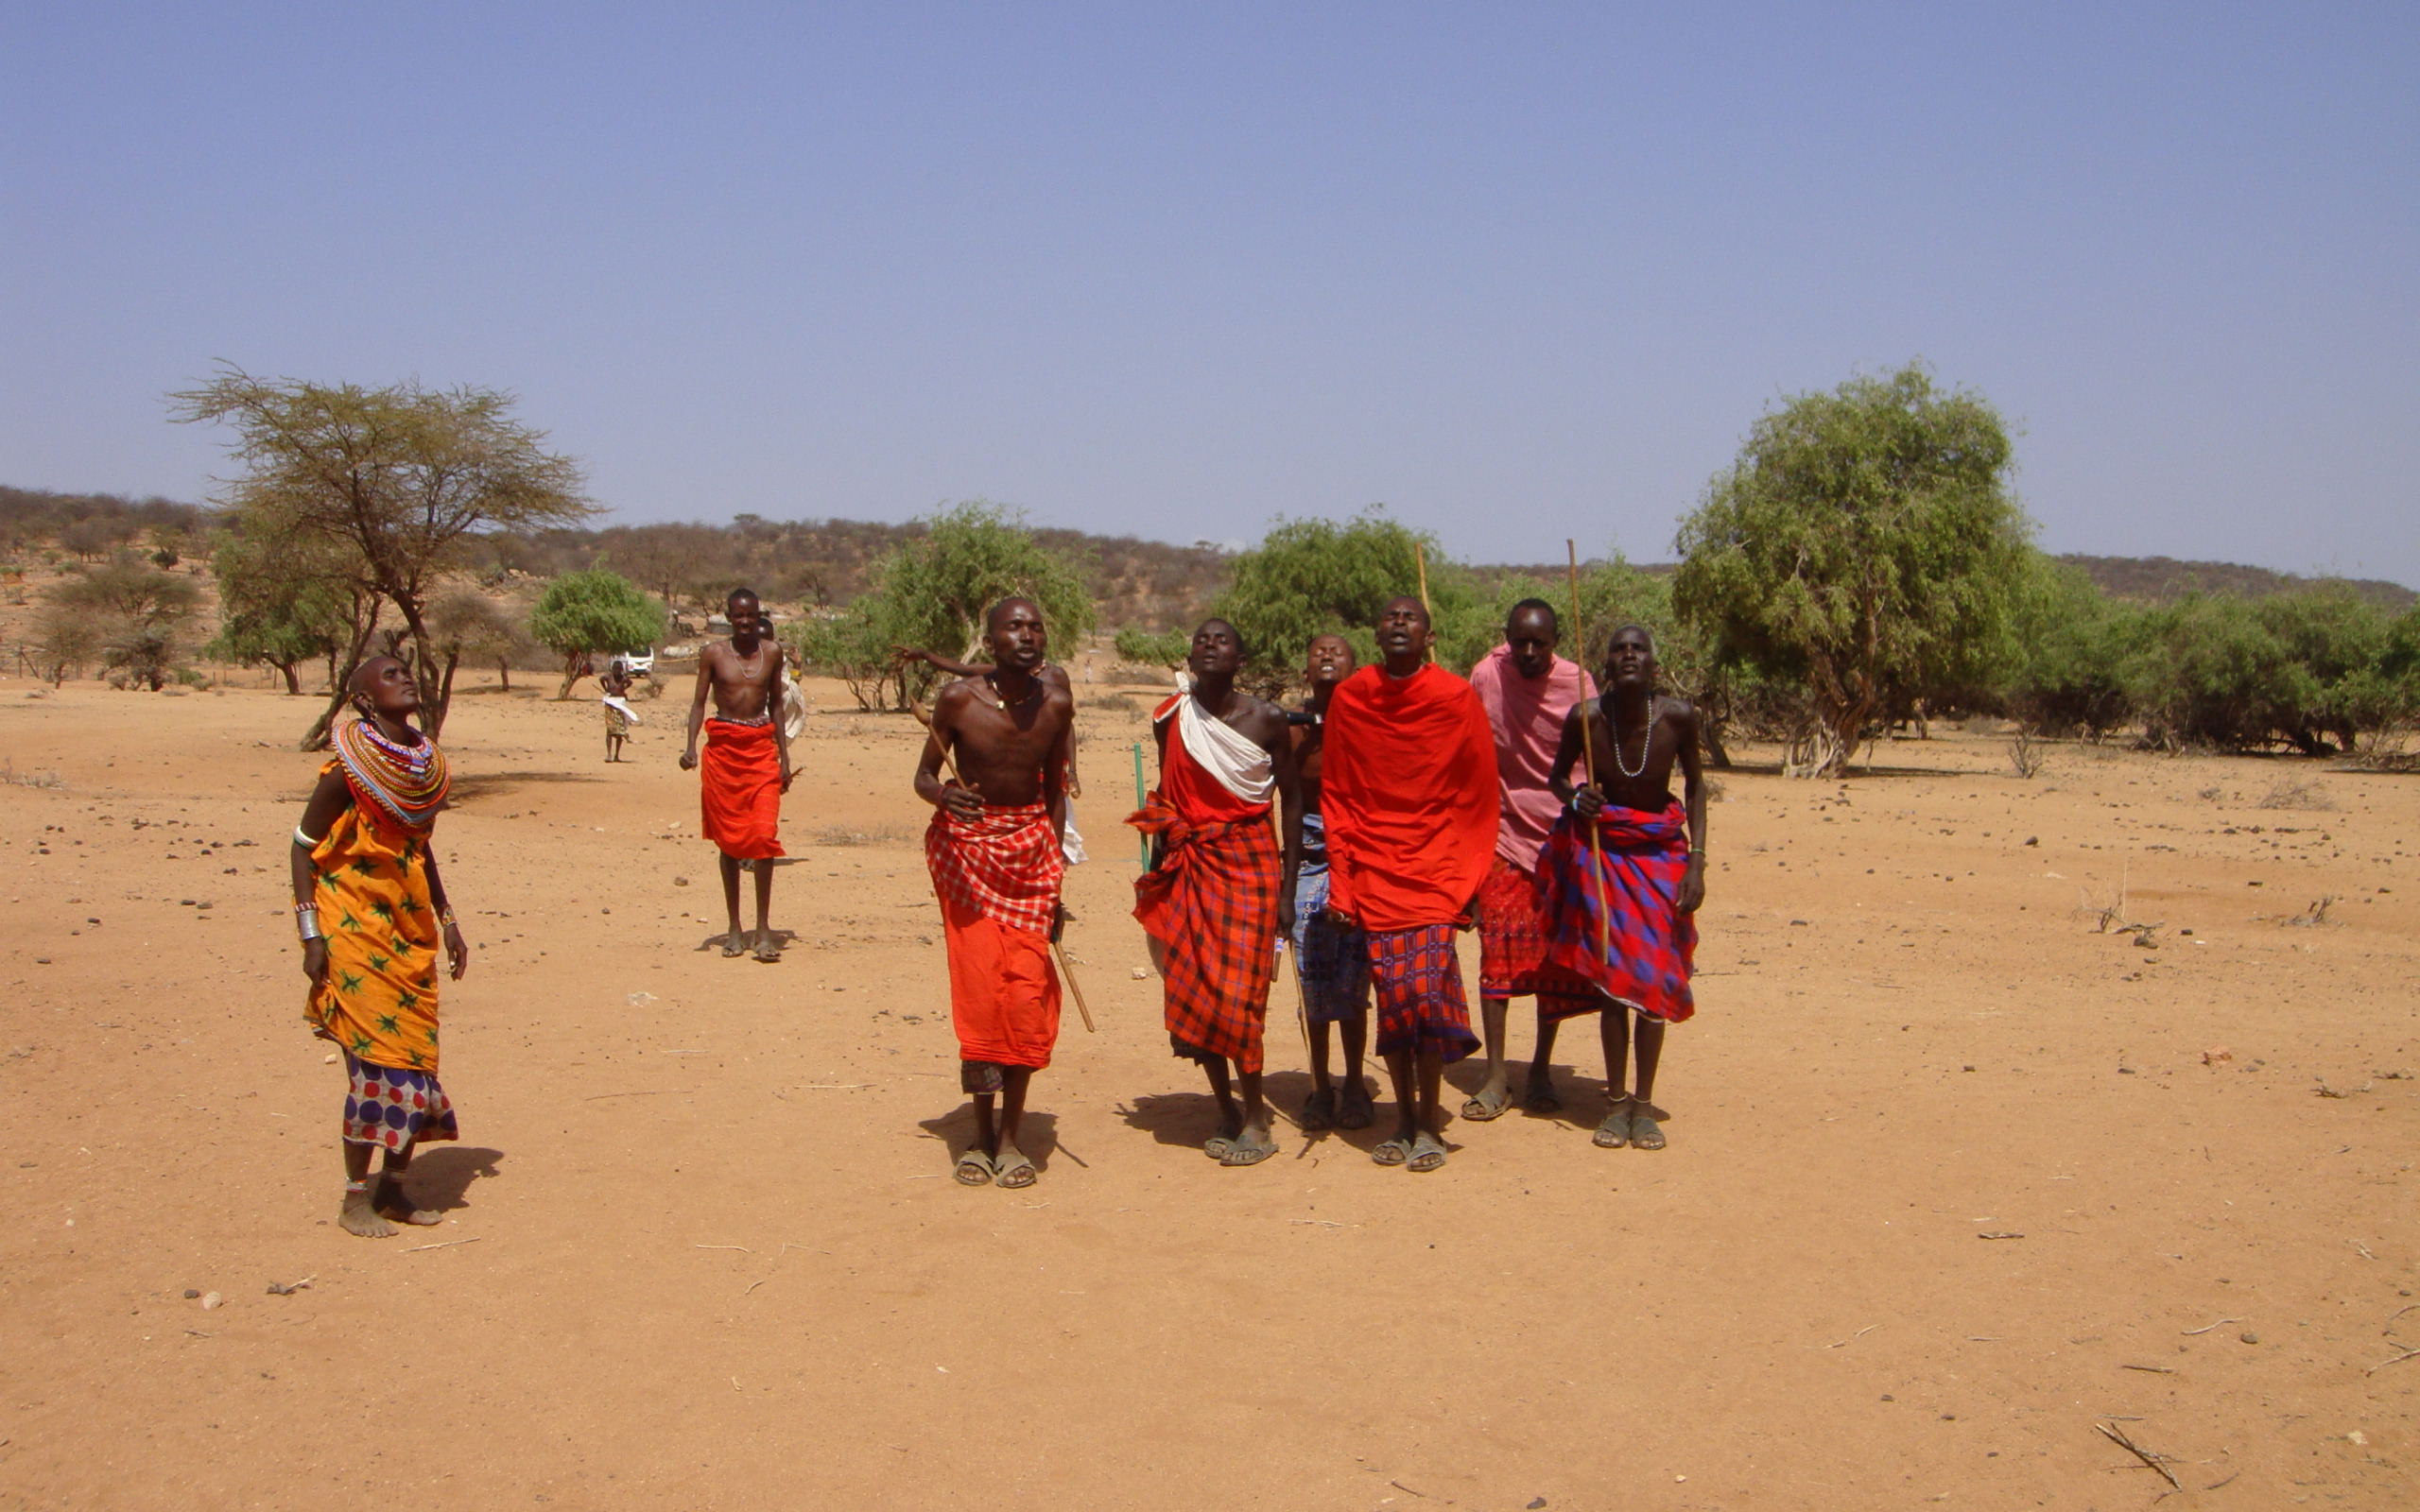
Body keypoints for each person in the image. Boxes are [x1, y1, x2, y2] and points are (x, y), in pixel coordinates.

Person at [290, 656, 472, 1238]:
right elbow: (300, 849)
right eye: (390, 676)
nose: (406, 678)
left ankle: (392, 1192)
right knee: (374, 1069)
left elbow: (420, 850)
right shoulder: (347, 772)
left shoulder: (422, 769)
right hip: (353, 931)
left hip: (407, 930)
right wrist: (311, 934)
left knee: (416, 1068)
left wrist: (447, 920)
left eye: (406, 672)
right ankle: (353, 1200)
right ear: (365, 701)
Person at [1320, 597, 1498, 1172]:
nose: (1399, 624)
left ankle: (1430, 1124)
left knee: (1423, 998)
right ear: (1376, 633)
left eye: (1411, 618)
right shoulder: (1353, 697)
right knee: (1395, 1002)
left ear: (1429, 635)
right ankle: (1403, 1120)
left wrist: (1470, 877)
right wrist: (1342, 883)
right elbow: (1339, 795)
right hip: (1375, 871)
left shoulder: (1454, 697)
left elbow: (1477, 793)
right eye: (1391, 617)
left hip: (1437, 871)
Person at [1126, 620, 1302, 1167]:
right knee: (1193, 985)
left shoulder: (1268, 720)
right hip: (1187, 866)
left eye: (1222, 640)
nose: (1210, 645)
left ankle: (1256, 1118)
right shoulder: (1170, 717)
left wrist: (1289, 890)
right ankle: (1224, 1107)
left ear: (1241, 658)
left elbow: (1291, 804)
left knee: (1240, 997)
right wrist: (1160, 875)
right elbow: (1168, 799)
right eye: (1202, 639)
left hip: (1248, 866)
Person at [915, 599, 1077, 1189]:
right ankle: (979, 1139)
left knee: (1025, 998)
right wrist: (943, 797)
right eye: (1014, 626)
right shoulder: (960, 701)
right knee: (983, 998)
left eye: (1036, 625)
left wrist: (1054, 878)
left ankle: (1012, 1139)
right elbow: (924, 775)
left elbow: (1057, 795)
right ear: (990, 640)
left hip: (1031, 861)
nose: (1027, 635)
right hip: (969, 859)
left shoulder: (1056, 703)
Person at [1539, 624, 1708, 1151]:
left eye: (1639, 649)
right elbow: (1557, 778)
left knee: (1654, 985)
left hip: (1660, 855)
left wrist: (1697, 862)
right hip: (1605, 853)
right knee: (1613, 983)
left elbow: (1698, 785)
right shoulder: (1587, 718)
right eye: (1619, 650)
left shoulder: (1677, 716)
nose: (1629, 656)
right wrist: (1575, 800)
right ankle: (1615, 1105)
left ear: (1654, 664)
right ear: (1606, 666)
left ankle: (1643, 1103)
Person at [1463, 599, 1599, 1119]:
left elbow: (1592, 756)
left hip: (1560, 835)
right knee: (1496, 950)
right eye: (1519, 641)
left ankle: (1541, 1067)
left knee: (1550, 958)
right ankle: (1496, 1074)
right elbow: (1469, 741)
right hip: (1501, 832)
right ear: (1506, 637)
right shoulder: (1486, 675)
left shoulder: (1578, 684)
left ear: (1556, 641)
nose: (1527, 652)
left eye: (1538, 643)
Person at [1287, 633, 1374, 1133]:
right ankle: (1321, 1085)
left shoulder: (1370, 725)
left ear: (1356, 670)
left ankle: (1357, 1083)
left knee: (1352, 981)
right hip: (1309, 858)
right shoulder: (1293, 730)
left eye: (1336, 652)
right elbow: (1291, 806)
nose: (1324, 656)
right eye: (1316, 651)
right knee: (1312, 981)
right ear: (1305, 672)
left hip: (1360, 856)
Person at [681, 590, 794, 962]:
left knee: (763, 836)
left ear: (758, 615)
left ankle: (763, 932)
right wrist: (690, 746)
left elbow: (777, 704)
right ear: (728, 616)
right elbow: (698, 703)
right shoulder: (713, 654)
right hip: (724, 752)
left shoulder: (772, 652)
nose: (745, 620)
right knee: (728, 843)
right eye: (738, 615)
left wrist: (784, 758)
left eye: (751, 615)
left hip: (761, 750)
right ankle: (734, 928)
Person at [898, 645, 1087, 864]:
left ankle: (1050, 874)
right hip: (1005, 779)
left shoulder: (1056, 677)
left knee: (1052, 836)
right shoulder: (993, 676)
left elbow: (1066, 726)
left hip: (1043, 775)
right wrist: (925, 654)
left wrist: (1071, 769)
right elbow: (963, 669)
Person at [600, 662, 641, 764]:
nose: (617, 672)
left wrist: (624, 689)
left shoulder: (624, 679)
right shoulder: (608, 677)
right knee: (610, 729)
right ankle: (609, 754)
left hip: (620, 704)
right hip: (610, 703)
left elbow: (630, 682)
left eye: (619, 670)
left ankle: (616, 755)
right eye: (615, 669)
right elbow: (601, 679)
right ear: (612, 669)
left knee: (620, 731)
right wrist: (605, 689)